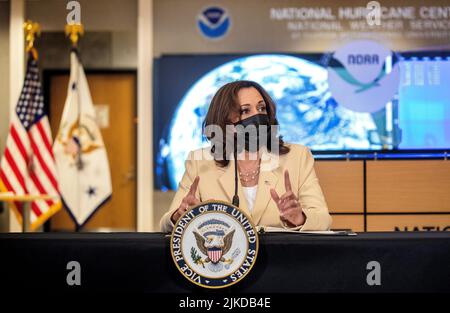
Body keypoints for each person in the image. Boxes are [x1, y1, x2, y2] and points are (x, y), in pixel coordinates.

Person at [160, 80, 332, 232]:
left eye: (261, 108)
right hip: (224, 264)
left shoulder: (298, 156)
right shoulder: (199, 162)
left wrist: (298, 217)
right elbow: (166, 224)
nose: (257, 116)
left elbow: (323, 219)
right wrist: (180, 215)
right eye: (245, 111)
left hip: (283, 260)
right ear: (225, 120)